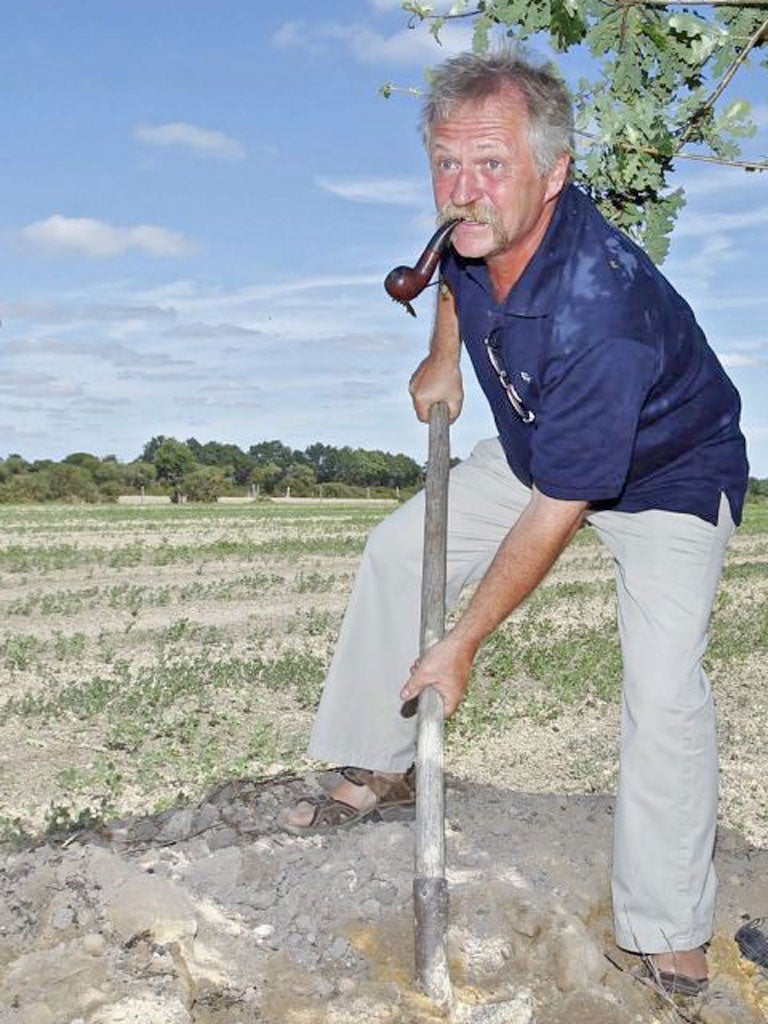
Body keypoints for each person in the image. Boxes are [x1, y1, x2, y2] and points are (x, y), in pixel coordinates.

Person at [280, 50, 749, 995]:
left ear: (554, 171)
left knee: (664, 690)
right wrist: (443, 357)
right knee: (397, 552)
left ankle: (668, 928)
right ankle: (382, 762)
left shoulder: (603, 311)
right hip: (548, 445)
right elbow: (457, 265)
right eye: (446, 163)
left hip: (669, 474)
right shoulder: (477, 224)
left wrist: (460, 645)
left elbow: (556, 513)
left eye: (491, 164)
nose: (463, 189)